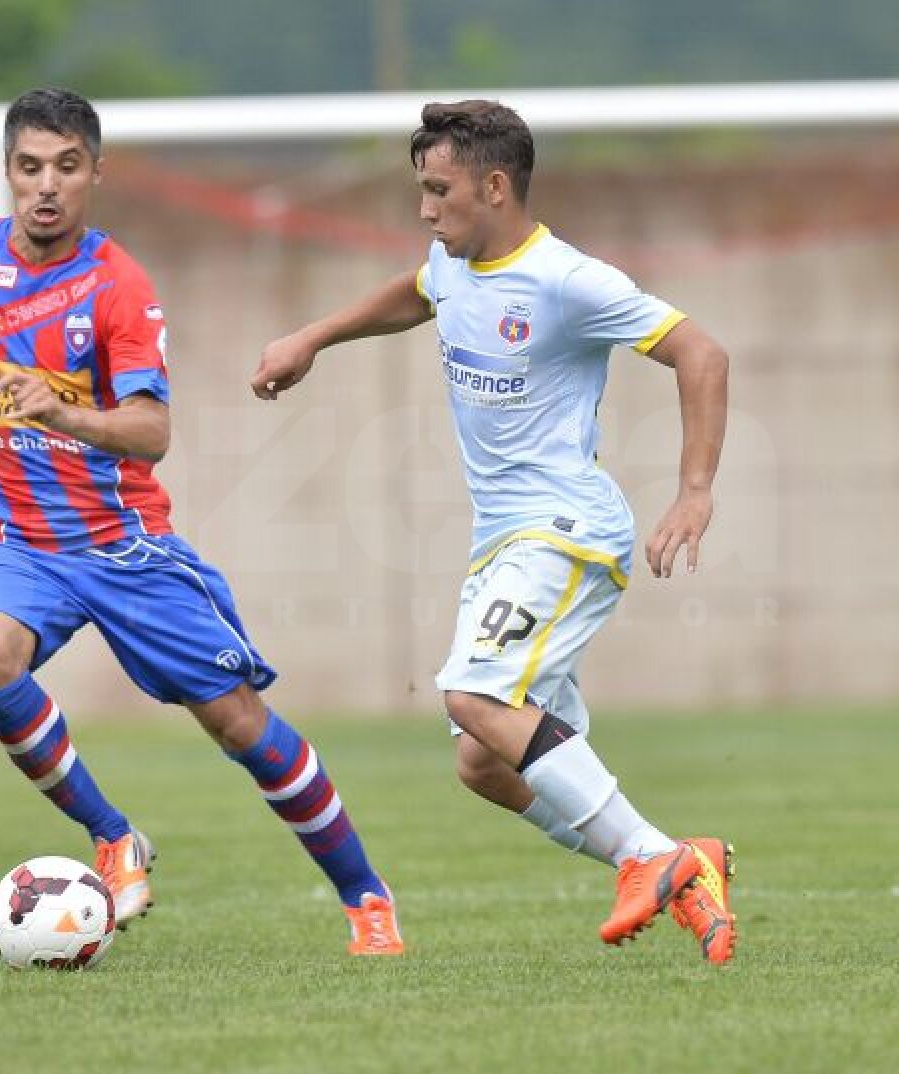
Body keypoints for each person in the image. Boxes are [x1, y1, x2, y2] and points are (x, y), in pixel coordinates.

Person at [0, 87, 402, 956]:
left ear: (96, 172)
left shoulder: (116, 286)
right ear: (8, 173)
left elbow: (152, 431)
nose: (45, 186)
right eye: (29, 168)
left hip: (122, 544)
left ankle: (366, 896)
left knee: (241, 728)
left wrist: (63, 415)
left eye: (66, 167)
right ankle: (111, 835)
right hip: (15, 542)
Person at [251, 100, 736, 964]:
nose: (426, 210)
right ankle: (686, 868)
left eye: (438, 192)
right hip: (506, 540)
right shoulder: (453, 264)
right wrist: (315, 338)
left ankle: (651, 858)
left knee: (475, 697)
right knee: (483, 762)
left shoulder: (567, 280)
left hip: (565, 529)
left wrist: (693, 490)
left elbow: (702, 352)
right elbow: (418, 294)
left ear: (496, 185)